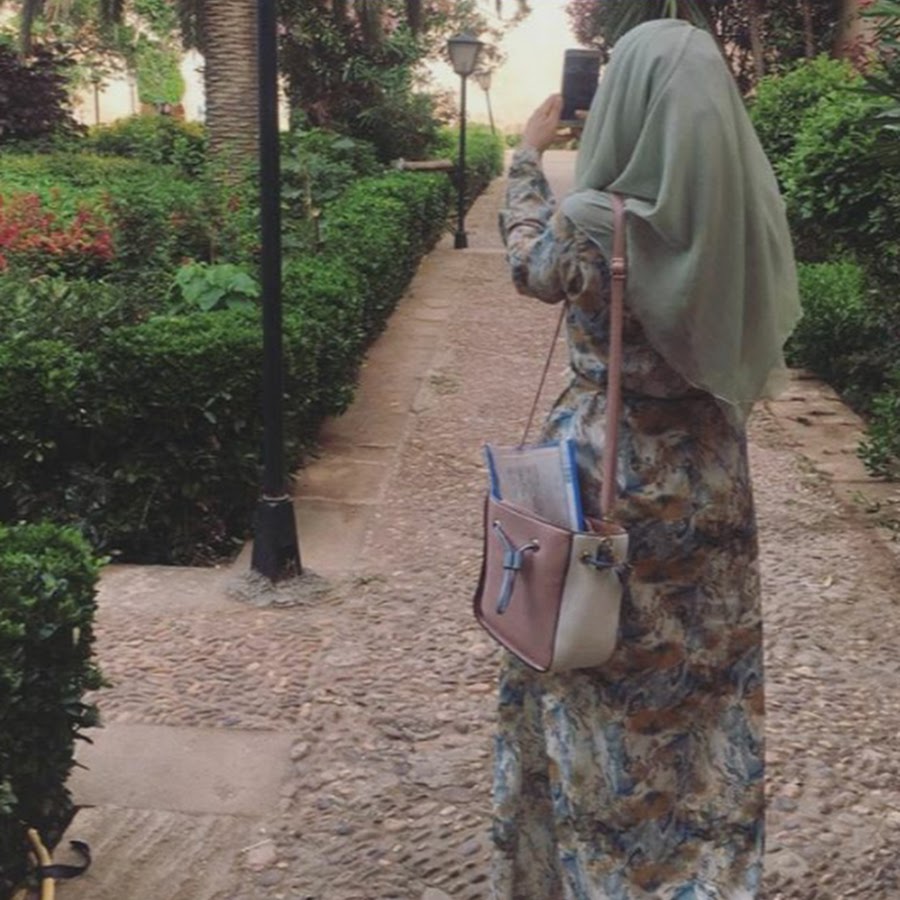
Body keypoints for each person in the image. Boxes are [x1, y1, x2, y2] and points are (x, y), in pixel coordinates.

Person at [494, 19, 800, 900]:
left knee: (588, 666)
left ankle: (598, 869)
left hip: (605, 474)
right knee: (709, 677)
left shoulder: (595, 222)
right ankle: (701, 871)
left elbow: (527, 266)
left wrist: (527, 157)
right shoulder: (742, 215)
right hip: (710, 476)